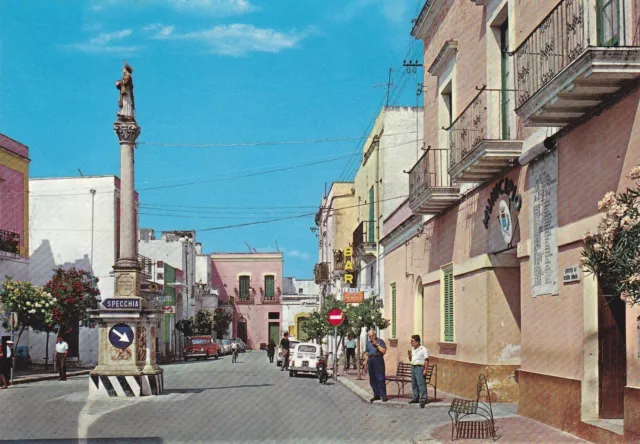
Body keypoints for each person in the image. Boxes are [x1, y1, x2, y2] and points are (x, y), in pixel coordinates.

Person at [407, 335, 429, 408]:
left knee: (421, 384)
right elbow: (411, 359)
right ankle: (416, 398)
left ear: (417, 342)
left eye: (412, 341)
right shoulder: (413, 349)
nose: (411, 342)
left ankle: (423, 399)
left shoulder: (423, 349)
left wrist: (425, 369)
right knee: (414, 384)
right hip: (413, 367)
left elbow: (426, 360)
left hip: (420, 367)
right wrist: (409, 355)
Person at [366, 330, 387, 403]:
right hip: (370, 360)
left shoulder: (380, 341)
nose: (371, 337)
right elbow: (367, 353)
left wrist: (377, 345)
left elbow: (384, 351)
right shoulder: (368, 343)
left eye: (372, 336)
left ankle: (383, 395)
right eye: (370, 336)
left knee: (380, 378)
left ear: (375, 335)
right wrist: (365, 364)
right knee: (372, 379)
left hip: (378, 359)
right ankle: (376, 395)